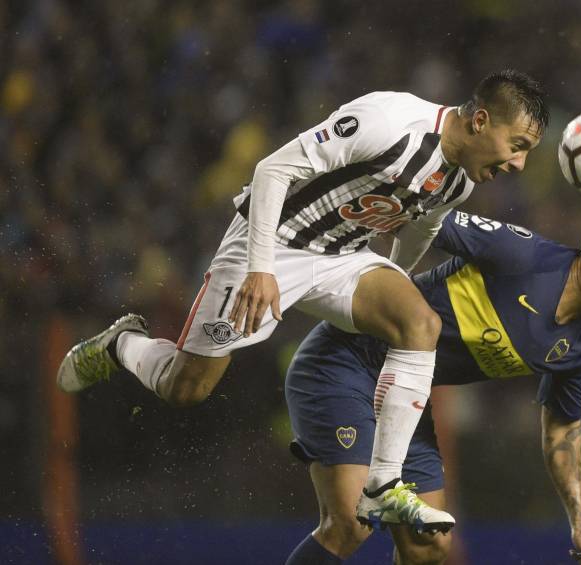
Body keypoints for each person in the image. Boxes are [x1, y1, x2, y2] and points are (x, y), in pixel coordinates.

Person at [56, 69, 549, 530]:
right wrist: (260, 268)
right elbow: (272, 171)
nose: (519, 163)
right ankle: (124, 343)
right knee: (187, 386)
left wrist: (394, 284)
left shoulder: (459, 179)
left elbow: (421, 226)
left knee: (419, 322)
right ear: (481, 120)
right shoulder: (391, 120)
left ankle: (382, 486)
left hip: (343, 256)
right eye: (518, 145)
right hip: (272, 243)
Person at [283, 202, 581, 565]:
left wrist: (579, 521)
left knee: (429, 546)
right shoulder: (523, 253)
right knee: (350, 523)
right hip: (345, 362)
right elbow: (422, 213)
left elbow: (563, 428)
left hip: (406, 401)